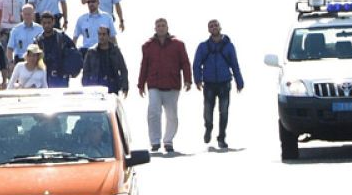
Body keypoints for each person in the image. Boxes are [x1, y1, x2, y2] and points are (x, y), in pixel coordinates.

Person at [137, 18, 193, 154]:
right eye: (158, 26)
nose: (161, 28)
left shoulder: (178, 45)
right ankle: (155, 141)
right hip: (154, 84)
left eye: (163, 26)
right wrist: (140, 84)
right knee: (153, 112)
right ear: (155, 28)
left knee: (172, 115)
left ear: (167, 28)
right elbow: (144, 65)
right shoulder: (148, 46)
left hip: (172, 84)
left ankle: (168, 141)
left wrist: (188, 79)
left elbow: (185, 63)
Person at [192, 19, 245, 149]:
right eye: (211, 26)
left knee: (224, 111)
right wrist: (198, 80)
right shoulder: (203, 46)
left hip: (224, 82)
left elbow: (234, 64)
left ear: (220, 27)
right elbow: (196, 64)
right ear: (208, 30)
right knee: (208, 111)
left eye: (216, 25)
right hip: (209, 83)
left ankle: (221, 137)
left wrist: (239, 81)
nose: (214, 27)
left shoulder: (229, 46)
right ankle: (208, 127)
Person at [35, 11, 81, 87]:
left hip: (61, 77)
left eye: (49, 23)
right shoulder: (38, 40)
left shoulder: (62, 37)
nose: (47, 25)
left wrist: (70, 71)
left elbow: (74, 54)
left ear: (53, 22)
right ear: (41, 23)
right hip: (44, 77)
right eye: (44, 23)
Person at [81, 26, 129, 94]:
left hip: (112, 88)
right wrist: (86, 86)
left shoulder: (115, 51)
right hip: (96, 88)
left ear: (108, 36)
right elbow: (86, 72)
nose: (101, 37)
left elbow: (123, 69)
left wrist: (125, 87)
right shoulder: (91, 52)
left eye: (104, 34)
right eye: (99, 34)